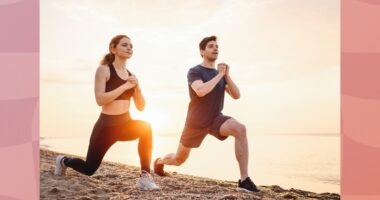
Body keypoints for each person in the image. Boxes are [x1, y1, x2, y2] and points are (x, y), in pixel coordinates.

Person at [154, 35, 259, 192]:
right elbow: (201, 91)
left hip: (216, 118)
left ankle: (244, 180)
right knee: (179, 159)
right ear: (202, 51)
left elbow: (236, 95)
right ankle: (160, 162)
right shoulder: (195, 71)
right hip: (195, 122)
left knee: (240, 129)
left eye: (216, 46)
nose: (215, 48)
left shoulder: (221, 76)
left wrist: (226, 76)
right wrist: (219, 75)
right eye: (210, 46)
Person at [54, 34, 159, 190]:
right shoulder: (103, 70)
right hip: (106, 128)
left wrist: (137, 87)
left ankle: (144, 176)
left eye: (131, 45)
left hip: (125, 124)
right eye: (124, 45)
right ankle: (63, 161)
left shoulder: (132, 76)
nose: (129, 47)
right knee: (89, 169)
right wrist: (124, 86)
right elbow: (100, 99)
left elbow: (141, 106)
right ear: (113, 49)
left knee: (146, 128)